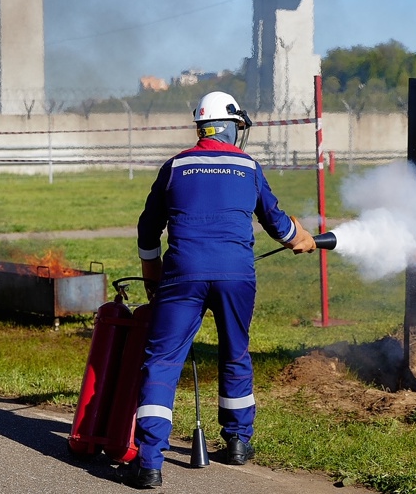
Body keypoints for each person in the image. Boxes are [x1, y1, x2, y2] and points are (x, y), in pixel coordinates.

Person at [119, 91, 317, 489]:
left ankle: (150, 463)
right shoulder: (248, 167)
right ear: (230, 127)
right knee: (235, 352)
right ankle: (239, 442)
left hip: (181, 276)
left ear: (201, 127)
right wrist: (303, 239)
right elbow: (278, 225)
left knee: (162, 362)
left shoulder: (175, 166)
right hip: (236, 276)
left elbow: (147, 229)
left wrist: (153, 274)